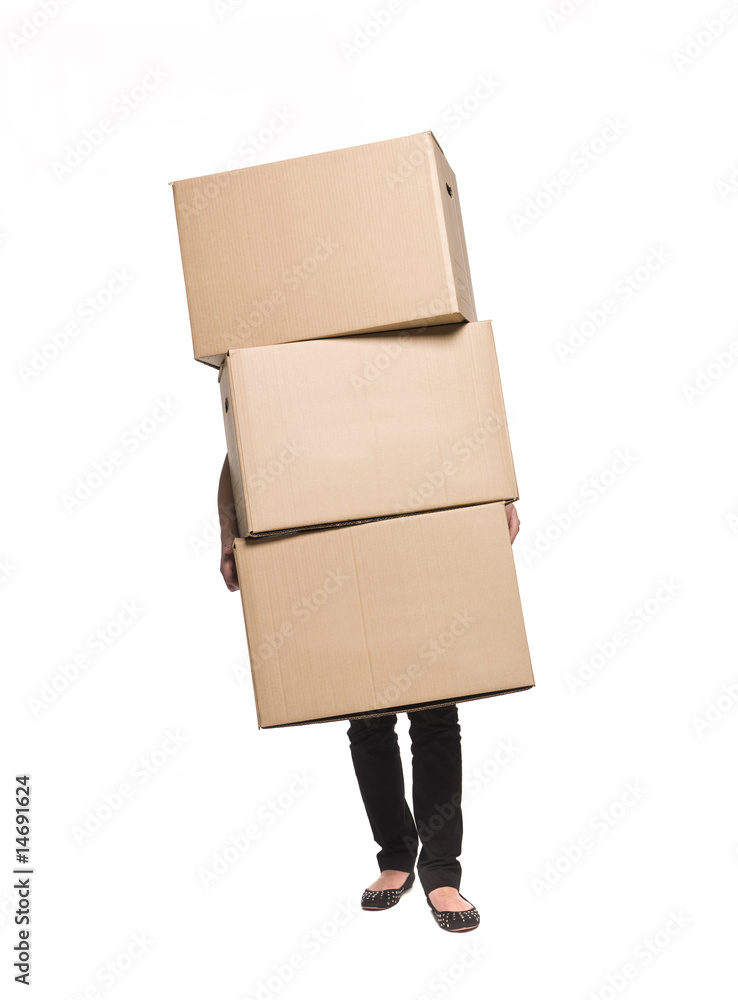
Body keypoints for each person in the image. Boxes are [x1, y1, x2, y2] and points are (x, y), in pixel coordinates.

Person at [217, 455, 521, 932]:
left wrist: (498, 493)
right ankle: (396, 855)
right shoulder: (292, 399)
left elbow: (461, 418)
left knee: (436, 708)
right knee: (365, 712)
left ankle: (441, 870)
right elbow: (245, 447)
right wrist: (229, 536)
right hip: (335, 541)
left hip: (417, 532)